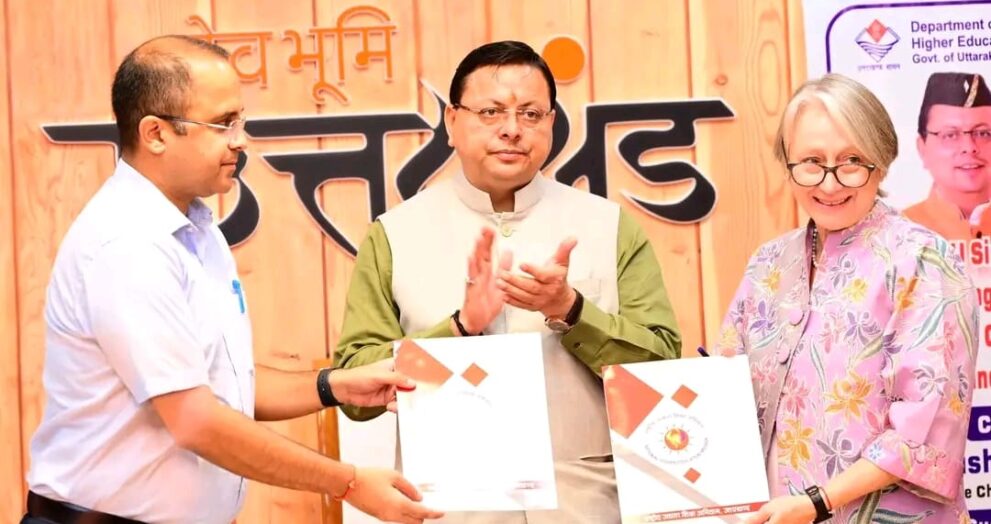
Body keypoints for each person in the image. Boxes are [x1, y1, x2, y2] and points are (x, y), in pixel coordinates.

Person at [23, 35, 442, 524]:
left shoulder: (198, 229)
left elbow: (220, 382)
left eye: (240, 121)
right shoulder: (127, 244)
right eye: (223, 124)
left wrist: (334, 386)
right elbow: (196, 420)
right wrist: (347, 482)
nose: (241, 141)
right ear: (156, 133)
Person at [334, 40, 682, 523]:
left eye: (531, 114)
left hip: (588, 505)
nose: (512, 129)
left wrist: (571, 310)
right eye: (491, 111)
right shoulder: (394, 234)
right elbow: (354, 390)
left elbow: (664, 370)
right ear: (452, 121)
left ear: (552, 123)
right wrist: (457, 329)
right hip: (448, 509)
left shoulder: (608, 226)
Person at [714, 73, 977, 524]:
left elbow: (924, 431)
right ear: (788, 165)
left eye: (852, 160)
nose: (830, 184)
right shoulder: (767, 266)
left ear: (882, 161)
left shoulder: (922, 260)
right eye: (811, 162)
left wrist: (816, 503)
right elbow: (725, 393)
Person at [904, 71, 991, 239]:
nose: (969, 147)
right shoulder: (900, 231)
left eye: (982, 133)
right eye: (950, 135)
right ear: (922, 148)